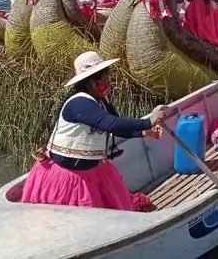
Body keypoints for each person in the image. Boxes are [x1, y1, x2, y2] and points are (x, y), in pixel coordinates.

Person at [22, 52, 166, 210]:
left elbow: (117, 127)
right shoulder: (79, 103)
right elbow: (110, 124)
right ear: (91, 81)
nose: (107, 80)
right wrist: (148, 121)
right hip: (68, 177)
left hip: (92, 170)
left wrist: (144, 132)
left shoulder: (100, 101)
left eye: (107, 75)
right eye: (103, 76)